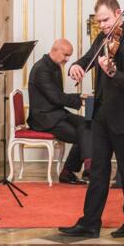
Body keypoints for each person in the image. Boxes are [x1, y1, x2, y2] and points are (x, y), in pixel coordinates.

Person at [59, 0, 124, 238]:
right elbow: (87, 59)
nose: (103, 25)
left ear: (118, 14)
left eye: (106, 20)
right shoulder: (102, 38)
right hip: (101, 115)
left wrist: (112, 71)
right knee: (98, 170)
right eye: (99, 21)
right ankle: (90, 222)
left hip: (123, 116)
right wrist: (76, 66)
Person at [27, 38, 89, 185]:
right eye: (66, 55)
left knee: (88, 124)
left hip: (56, 114)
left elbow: (57, 96)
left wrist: (80, 96)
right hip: (44, 119)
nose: (67, 59)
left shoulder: (54, 66)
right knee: (83, 135)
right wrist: (79, 100)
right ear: (55, 50)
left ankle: (73, 171)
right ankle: (79, 170)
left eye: (69, 56)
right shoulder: (41, 69)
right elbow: (56, 97)